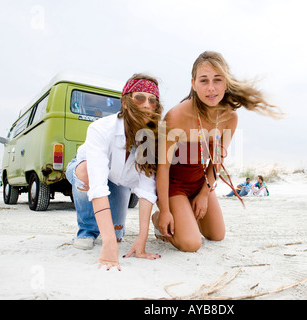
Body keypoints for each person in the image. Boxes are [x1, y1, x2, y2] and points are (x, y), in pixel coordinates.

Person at [153, 51, 282, 252]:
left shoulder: (230, 117)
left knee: (217, 235)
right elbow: (162, 168)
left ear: (226, 83)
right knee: (191, 244)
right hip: (174, 185)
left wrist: (204, 193)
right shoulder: (176, 116)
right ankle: (162, 216)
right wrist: (165, 211)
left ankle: (185, 214)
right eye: (204, 80)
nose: (211, 88)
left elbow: (217, 162)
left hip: (200, 182)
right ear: (193, 83)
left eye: (217, 80)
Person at [65, 73, 163, 270]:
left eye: (152, 100)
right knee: (86, 174)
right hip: (87, 169)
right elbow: (98, 185)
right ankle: (87, 230)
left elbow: (146, 190)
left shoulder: (151, 137)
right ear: (125, 102)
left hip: (120, 182)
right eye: (140, 98)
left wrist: (142, 240)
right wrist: (108, 246)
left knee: (117, 235)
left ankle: (115, 231)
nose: (147, 104)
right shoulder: (100, 129)